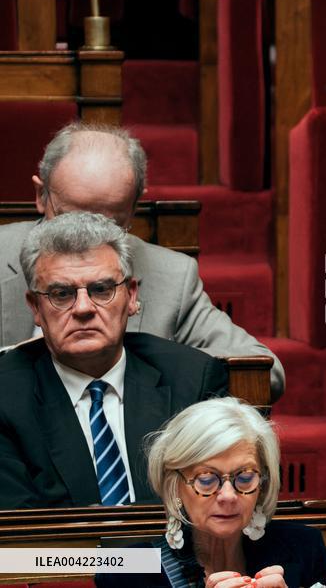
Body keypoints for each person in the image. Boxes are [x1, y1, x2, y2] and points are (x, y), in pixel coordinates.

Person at [0, 121, 285, 399]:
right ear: (41, 196)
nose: (86, 238)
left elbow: (263, 371)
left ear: (134, 208)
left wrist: (137, 368)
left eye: (109, 225)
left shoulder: (171, 277)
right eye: (69, 218)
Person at [0, 211, 229, 509]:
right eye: (61, 294)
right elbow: (19, 538)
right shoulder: (6, 397)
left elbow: (217, 503)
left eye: (101, 289)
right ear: (35, 308)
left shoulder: (191, 379)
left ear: (132, 296)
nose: (83, 308)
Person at [96, 397, 326, 588]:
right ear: (174, 485)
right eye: (207, 479)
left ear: (262, 484)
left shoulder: (304, 547)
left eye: (245, 477)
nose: (228, 496)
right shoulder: (126, 569)